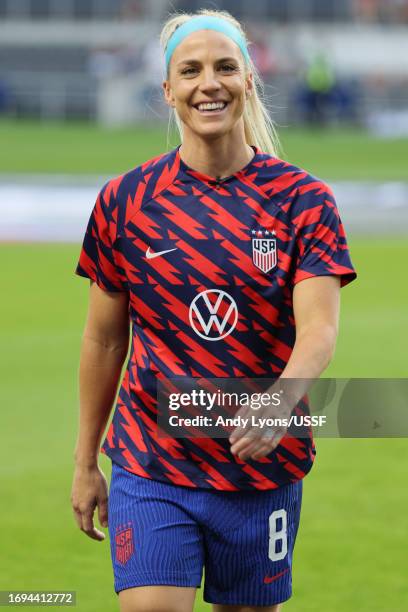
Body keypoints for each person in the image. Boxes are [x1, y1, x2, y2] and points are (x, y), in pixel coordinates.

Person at [71, 9, 357, 612]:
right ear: (168, 90)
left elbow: (320, 329)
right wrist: (85, 460)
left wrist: (279, 401)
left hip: (260, 468)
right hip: (150, 459)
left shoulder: (302, 200)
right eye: (191, 70)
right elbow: (102, 342)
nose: (210, 83)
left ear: (249, 79)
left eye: (226, 67)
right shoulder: (127, 200)